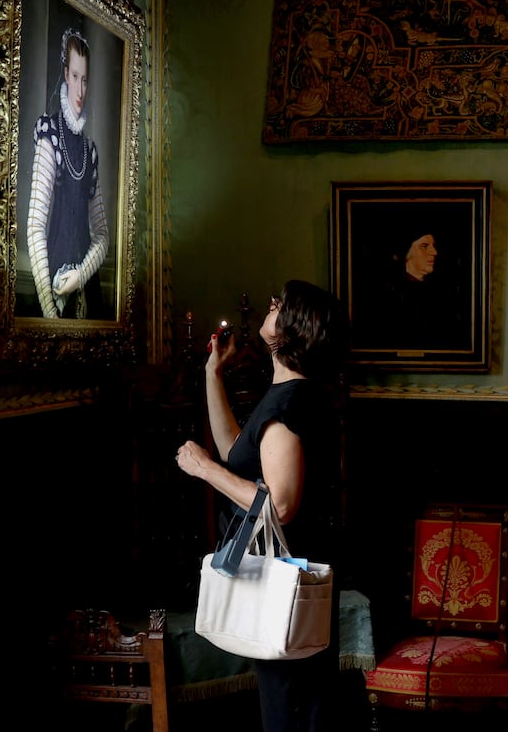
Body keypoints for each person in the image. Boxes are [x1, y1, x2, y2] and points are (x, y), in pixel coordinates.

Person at [175, 279, 348, 732]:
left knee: (290, 710)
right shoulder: (290, 396)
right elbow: (237, 450)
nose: (271, 307)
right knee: (294, 704)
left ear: (293, 328)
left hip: (285, 587)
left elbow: (282, 504)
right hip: (288, 586)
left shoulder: (290, 404)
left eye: (279, 305)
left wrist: (205, 470)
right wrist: (214, 373)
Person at [26, 27, 109, 319]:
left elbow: (102, 235)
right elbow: (35, 227)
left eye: (85, 80)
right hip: (53, 287)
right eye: (75, 77)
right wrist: (49, 310)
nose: (80, 90)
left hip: (88, 288)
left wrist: (82, 276)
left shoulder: (90, 151)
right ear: (65, 74)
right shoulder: (49, 134)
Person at [360, 225, 463, 349]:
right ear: (407, 253)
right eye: (424, 246)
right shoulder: (387, 295)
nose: (434, 252)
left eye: (433, 246)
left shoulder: (442, 292)